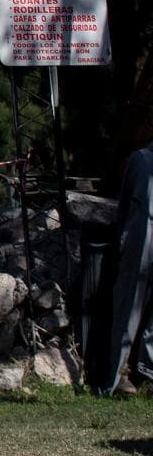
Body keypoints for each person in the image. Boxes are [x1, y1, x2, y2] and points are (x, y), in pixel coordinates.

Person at [96, 140, 153, 396]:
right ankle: (118, 374)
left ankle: (147, 371)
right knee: (129, 305)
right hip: (141, 236)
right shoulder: (140, 159)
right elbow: (126, 206)